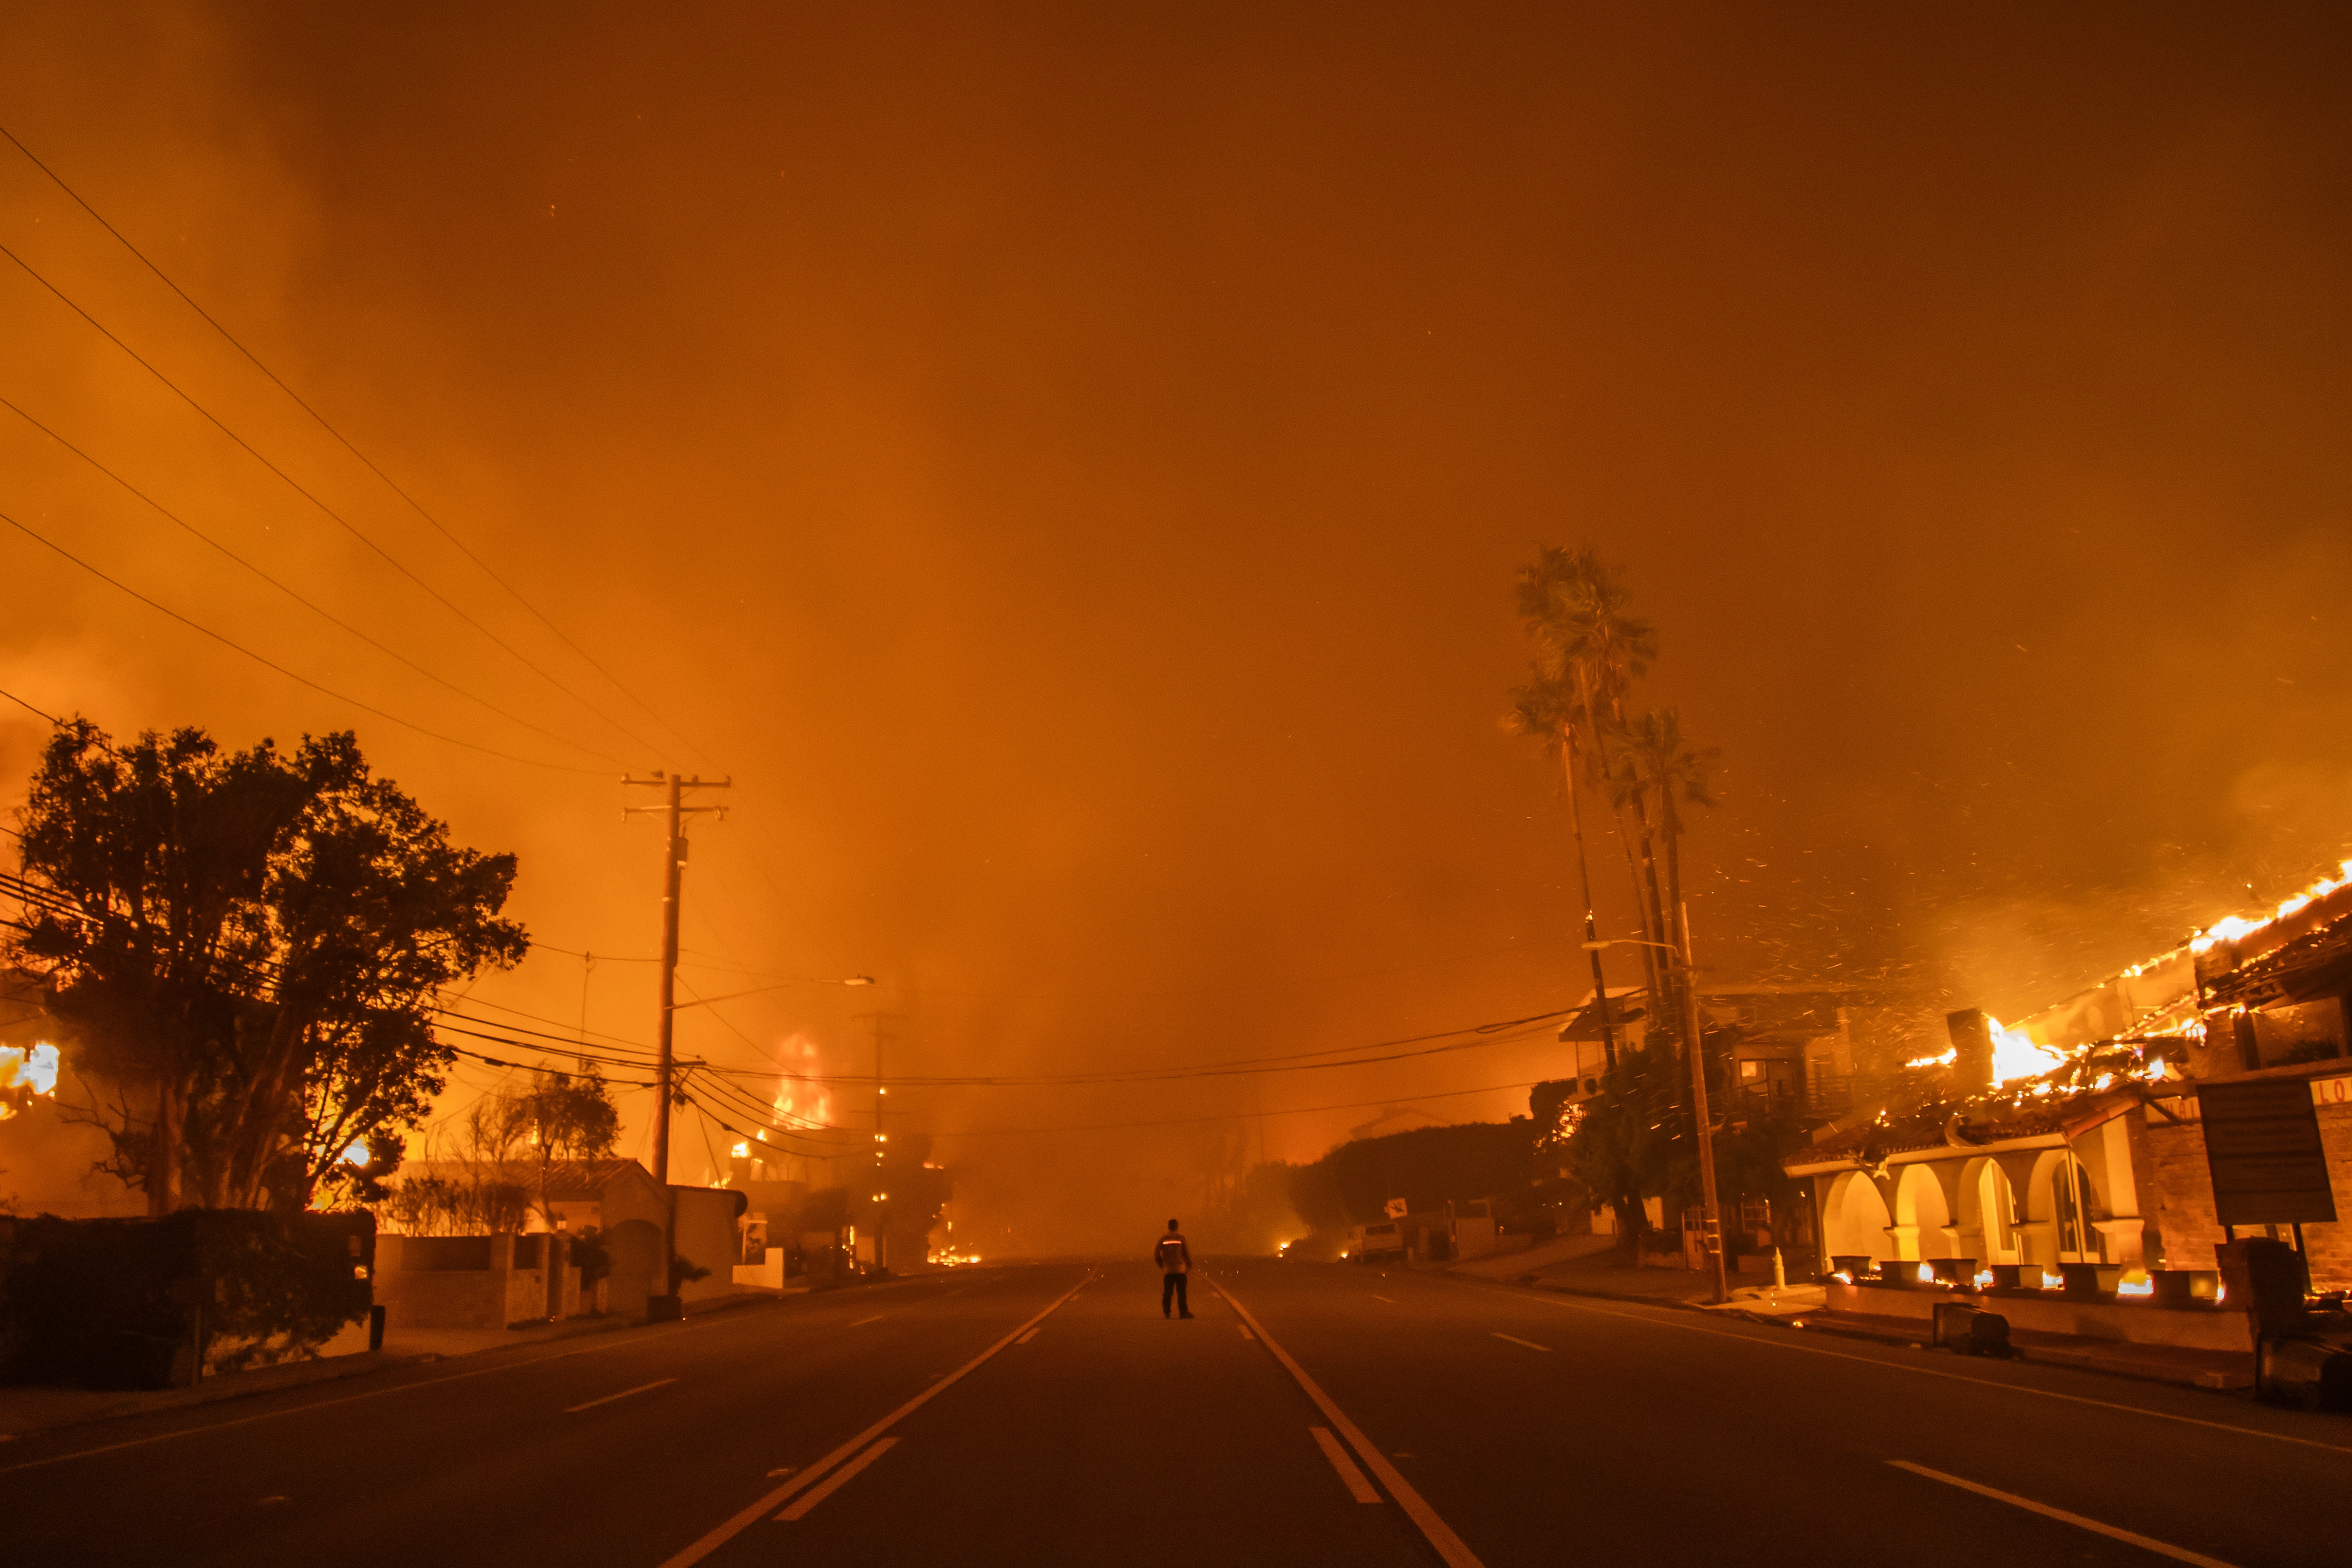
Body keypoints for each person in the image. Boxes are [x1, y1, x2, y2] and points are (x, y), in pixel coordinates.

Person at [1155, 1218, 1194, 1318]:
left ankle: (1167, 1312)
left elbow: (1156, 1253)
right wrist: (1189, 1265)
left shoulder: (1163, 1238)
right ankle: (1183, 1313)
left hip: (1168, 1270)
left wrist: (1161, 1264)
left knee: (1168, 1292)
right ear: (1177, 1227)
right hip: (1180, 1270)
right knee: (1182, 1293)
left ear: (1168, 1227)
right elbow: (1187, 1253)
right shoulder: (1181, 1238)